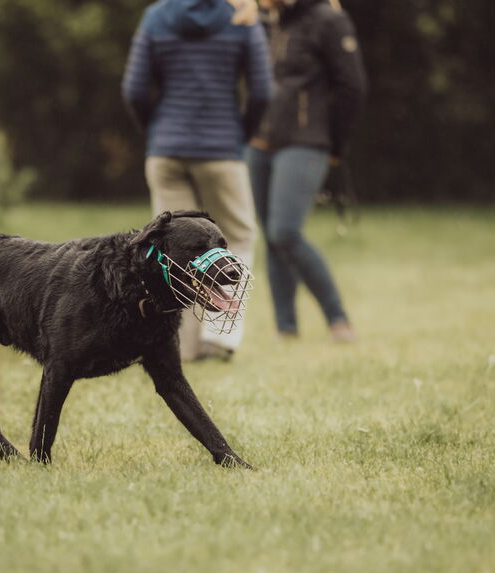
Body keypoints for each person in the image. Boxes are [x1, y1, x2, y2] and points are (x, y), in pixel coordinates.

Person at [122, 0, 272, 361]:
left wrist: (157, 133)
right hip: (222, 149)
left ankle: (180, 344)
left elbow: (135, 90)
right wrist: (239, 136)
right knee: (237, 236)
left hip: (167, 150)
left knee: (171, 250)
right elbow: (262, 92)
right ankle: (219, 338)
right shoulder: (241, 16)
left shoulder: (158, 15)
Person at [247, 0, 366, 342]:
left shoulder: (329, 19)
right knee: (271, 237)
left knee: (285, 232)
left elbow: (352, 87)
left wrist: (334, 144)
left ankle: (338, 319)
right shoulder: (267, 20)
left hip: (306, 139)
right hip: (259, 140)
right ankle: (286, 329)